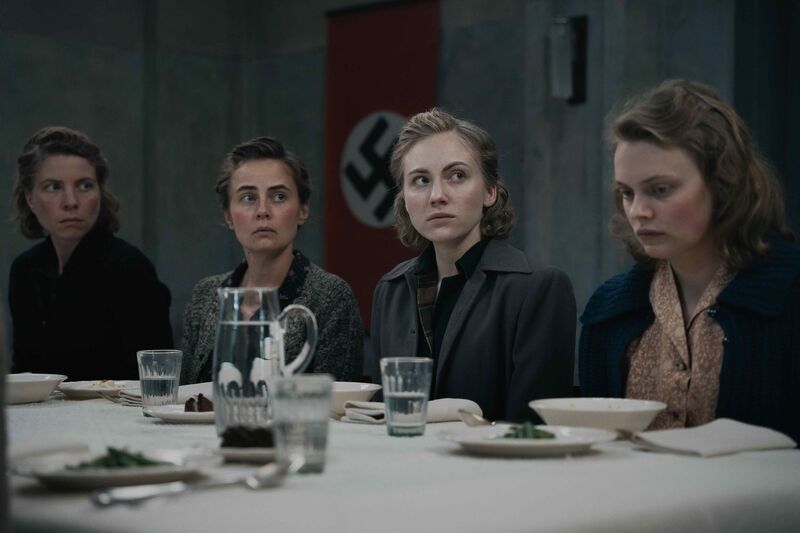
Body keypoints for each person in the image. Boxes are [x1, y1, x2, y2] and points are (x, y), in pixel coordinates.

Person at [580, 79, 800, 441]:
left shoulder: (790, 296)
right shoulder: (608, 312)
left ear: (722, 183)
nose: (638, 211)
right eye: (627, 193)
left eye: (660, 189)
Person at [370, 108, 576, 422]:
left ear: (490, 191)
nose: (437, 196)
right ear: (404, 200)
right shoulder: (390, 291)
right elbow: (381, 417)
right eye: (421, 180)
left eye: (457, 176)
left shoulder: (539, 289)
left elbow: (531, 430)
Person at [180, 136, 363, 384]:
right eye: (248, 197)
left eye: (278, 197)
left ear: (302, 211)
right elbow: (184, 397)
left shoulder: (330, 297)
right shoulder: (206, 295)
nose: (263, 211)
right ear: (228, 216)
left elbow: (335, 400)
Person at [8, 126, 173, 380]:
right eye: (53, 187)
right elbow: (23, 374)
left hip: (116, 406)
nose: (71, 201)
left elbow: (157, 377)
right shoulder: (25, 269)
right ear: (30, 198)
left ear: (99, 192)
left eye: (85, 186)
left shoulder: (128, 268)